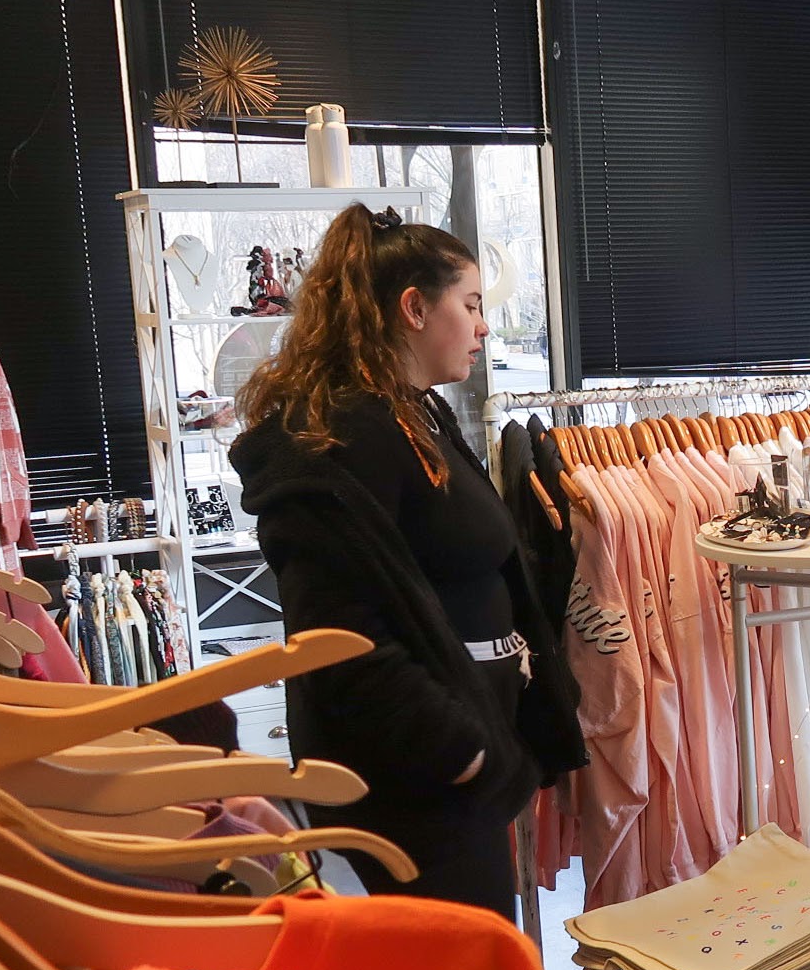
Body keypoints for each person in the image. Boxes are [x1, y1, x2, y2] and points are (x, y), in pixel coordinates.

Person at [231, 204, 584, 920]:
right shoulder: (348, 438)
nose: (485, 325)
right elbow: (340, 640)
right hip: (423, 784)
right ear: (415, 308)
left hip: (453, 775)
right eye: (473, 304)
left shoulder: (412, 412)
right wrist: (462, 752)